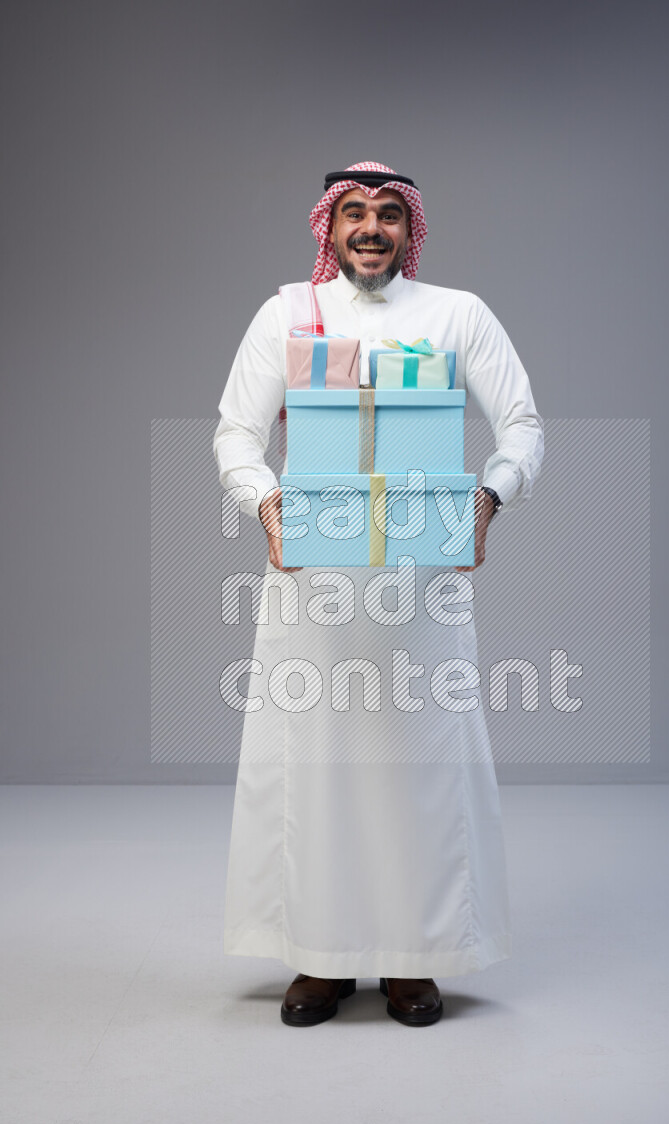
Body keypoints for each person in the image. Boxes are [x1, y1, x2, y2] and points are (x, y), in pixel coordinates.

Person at [213, 161, 544, 1027]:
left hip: (422, 586)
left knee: (419, 769)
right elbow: (236, 435)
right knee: (316, 771)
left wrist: (489, 497)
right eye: (353, 213)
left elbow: (523, 425)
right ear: (328, 227)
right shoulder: (287, 314)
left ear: (411, 229)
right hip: (312, 584)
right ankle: (321, 960)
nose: (370, 228)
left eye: (388, 214)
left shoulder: (456, 315)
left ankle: (413, 957)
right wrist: (269, 507)